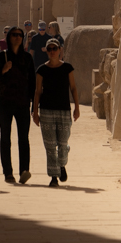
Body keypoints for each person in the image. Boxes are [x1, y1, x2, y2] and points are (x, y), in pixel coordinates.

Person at [0, 26, 36, 184]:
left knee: (24, 138)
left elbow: (33, 83)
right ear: (9, 38)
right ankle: (8, 173)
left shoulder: (27, 58)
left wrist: (34, 106)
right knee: (5, 138)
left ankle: (24, 171)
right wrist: (3, 70)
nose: (17, 38)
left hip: (22, 103)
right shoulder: (2, 57)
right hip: (5, 102)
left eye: (20, 35)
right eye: (14, 35)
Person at [32, 37, 78, 187]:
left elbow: (73, 88)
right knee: (50, 145)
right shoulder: (41, 70)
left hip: (64, 110)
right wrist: (35, 111)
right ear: (47, 51)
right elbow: (37, 91)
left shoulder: (67, 68)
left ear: (59, 50)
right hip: (46, 111)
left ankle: (62, 164)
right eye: (49, 49)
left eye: (54, 49)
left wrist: (77, 107)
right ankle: (53, 176)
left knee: (63, 143)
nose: (52, 52)